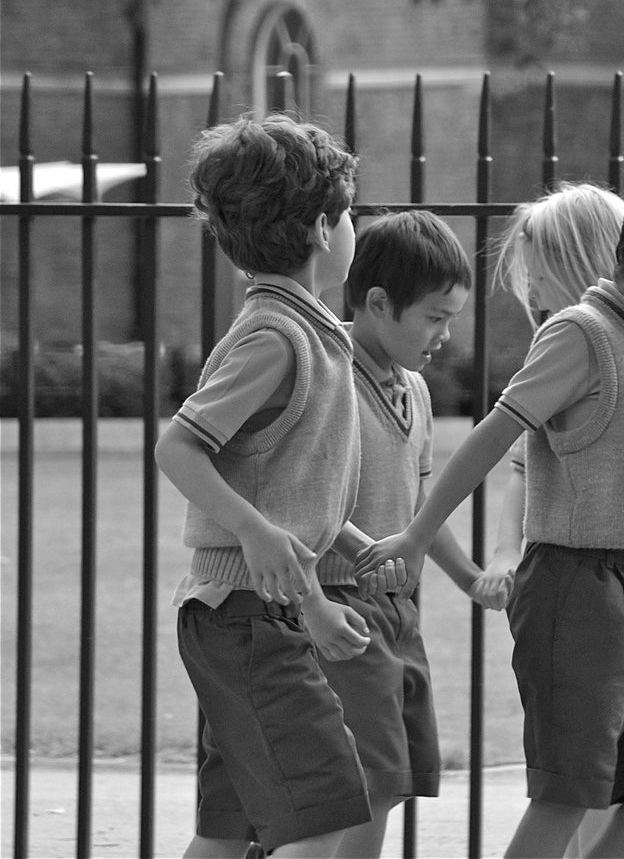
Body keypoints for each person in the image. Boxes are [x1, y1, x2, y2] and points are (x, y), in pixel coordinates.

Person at [358, 153, 624, 859]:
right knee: (568, 795)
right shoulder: (582, 333)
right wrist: (420, 535)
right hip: (576, 589)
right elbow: (495, 438)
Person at [155, 113, 371, 858]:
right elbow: (179, 445)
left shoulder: (308, 330)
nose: (355, 229)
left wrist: (345, 537)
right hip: (243, 617)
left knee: (231, 827)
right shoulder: (275, 336)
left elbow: (280, 476)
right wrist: (252, 530)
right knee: (325, 811)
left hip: (254, 616)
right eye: (350, 215)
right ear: (320, 228)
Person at [317, 210, 504, 858]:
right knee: (365, 777)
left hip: (399, 609)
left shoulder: (415, 391)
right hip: (337, 604)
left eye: (451, 318)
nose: (445, 336)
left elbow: (416, 509)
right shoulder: (327, 375)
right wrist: (355, 551)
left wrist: (470, 577)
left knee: (392, 777)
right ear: (376, 303)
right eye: (433, 317)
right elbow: (298, 497)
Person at [469, 181, 624, 608]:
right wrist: (506, 552)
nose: (530, 293)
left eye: (538, 276)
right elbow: (522, 464)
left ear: (577, 265)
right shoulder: (573, 343)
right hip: (594, 578)